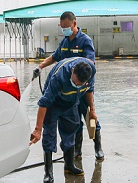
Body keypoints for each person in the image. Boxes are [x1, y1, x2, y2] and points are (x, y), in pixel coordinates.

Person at [31, 11, 104, 160]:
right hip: (68, 88)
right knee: (74, 121)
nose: (64, 29)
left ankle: (98, 147)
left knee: (90, 116)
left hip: (82, 88)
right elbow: (55, 56)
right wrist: (41, 66)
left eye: (67, 26)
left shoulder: (85, 41)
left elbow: (89, 66)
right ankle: (76, 151)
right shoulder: (64, 41)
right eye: (62, 27)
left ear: (74, 24)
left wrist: (86, 89)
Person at [30, 57, 97, 183]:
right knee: (49, 134)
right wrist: (38, 129)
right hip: (53, 103)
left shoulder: (91, 71)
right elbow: (44, 103)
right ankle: (48, 173)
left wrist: (92, 110)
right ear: (72, 71)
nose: (76, 85)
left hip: (71, 102)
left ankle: (69, 165)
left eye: (80, 84)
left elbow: (90, 90)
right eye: (75, 82)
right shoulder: (59, 76)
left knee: (71, 130)